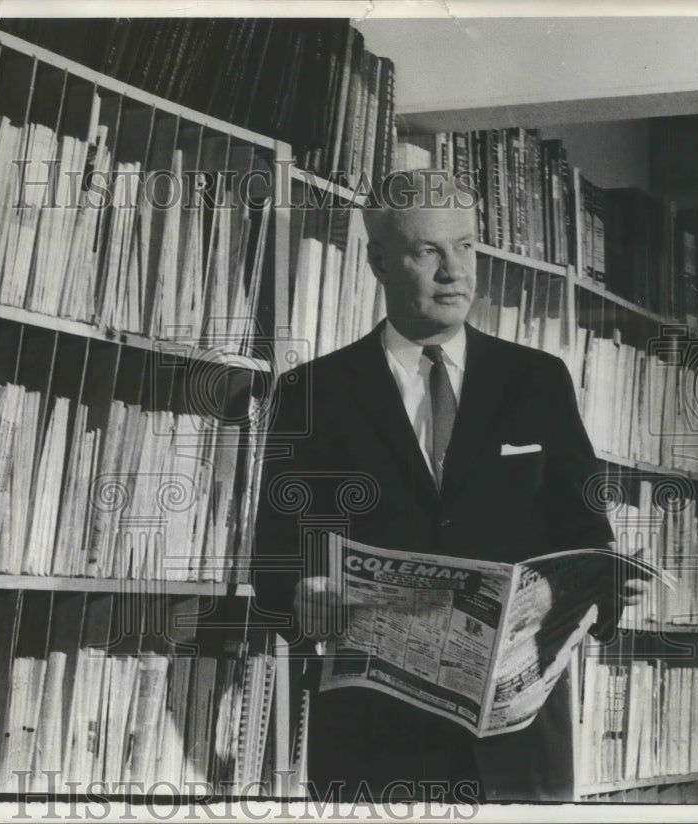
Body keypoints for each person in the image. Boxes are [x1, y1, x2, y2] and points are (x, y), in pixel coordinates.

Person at [250, 171, 647, 803]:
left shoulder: (538, 381)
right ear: (378, 260)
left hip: (519, 744)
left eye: (466, 247)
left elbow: (585, 536)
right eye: (428, 251)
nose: (454, 272)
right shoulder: (313, 393)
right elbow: (272, 558)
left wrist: (602, 585)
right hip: (376, 743)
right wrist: (303, 592)